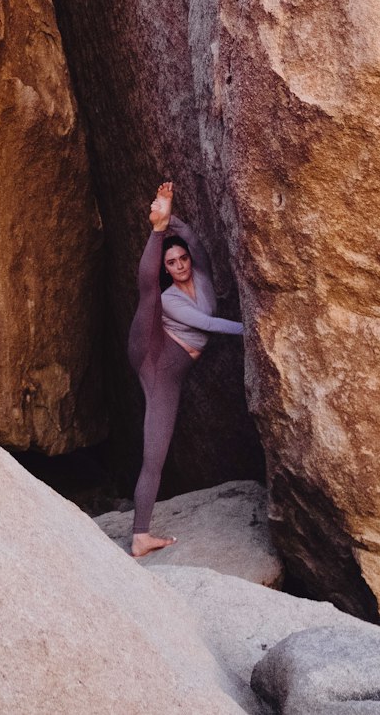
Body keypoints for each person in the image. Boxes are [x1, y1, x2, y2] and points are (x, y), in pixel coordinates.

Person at [128, 180, 244, 558]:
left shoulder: (204, 277)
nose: (178, 266)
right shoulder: (171, 298)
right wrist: (251, 331)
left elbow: (193, 238)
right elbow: (208, 326)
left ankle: (140, 536)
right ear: (165, 267)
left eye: (182, 260)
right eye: (170, 263)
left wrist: (170, 212)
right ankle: (155, 231)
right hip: (153, 355)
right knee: (149, 300)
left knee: (155, 453)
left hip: (171, 375)